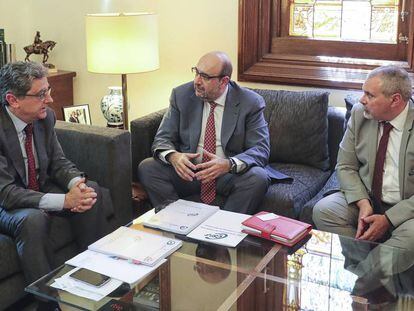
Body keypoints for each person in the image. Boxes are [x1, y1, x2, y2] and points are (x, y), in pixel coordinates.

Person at [0, 61, 108, 311]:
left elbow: (58, 162)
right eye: (41, 94)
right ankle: (49, 303)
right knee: (32, 220)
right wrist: (64, 201)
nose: (49, 99)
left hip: (36, 187)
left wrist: (76, 185)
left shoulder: (44, 117)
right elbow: (7, 194)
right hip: (5, 200)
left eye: (48, 90)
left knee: (92, 192)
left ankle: (96, 280)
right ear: (13, 100)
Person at [312, 65, 414, 300]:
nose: (362, 100)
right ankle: (378, 278)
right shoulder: (360, 113)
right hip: (368, 196)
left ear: (395, 100)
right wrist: (363, 204)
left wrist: (389, 219)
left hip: (407, 209)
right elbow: (345, 165)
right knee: (324, 211)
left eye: (370, 95)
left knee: (410, 239)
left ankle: (359, 288)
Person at [138, 51, 285, 214]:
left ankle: (223, 230)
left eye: (205, 77)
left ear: (224, 81)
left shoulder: (250, 102)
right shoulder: (181, 95)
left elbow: (260, 149)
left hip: (227, 175)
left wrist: (228, 164)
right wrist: (174, 157)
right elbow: (162, 138)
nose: (197, 81)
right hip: (190, 173)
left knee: (258, 178)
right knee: (148, 167)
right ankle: (177, 221)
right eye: (197, 72)